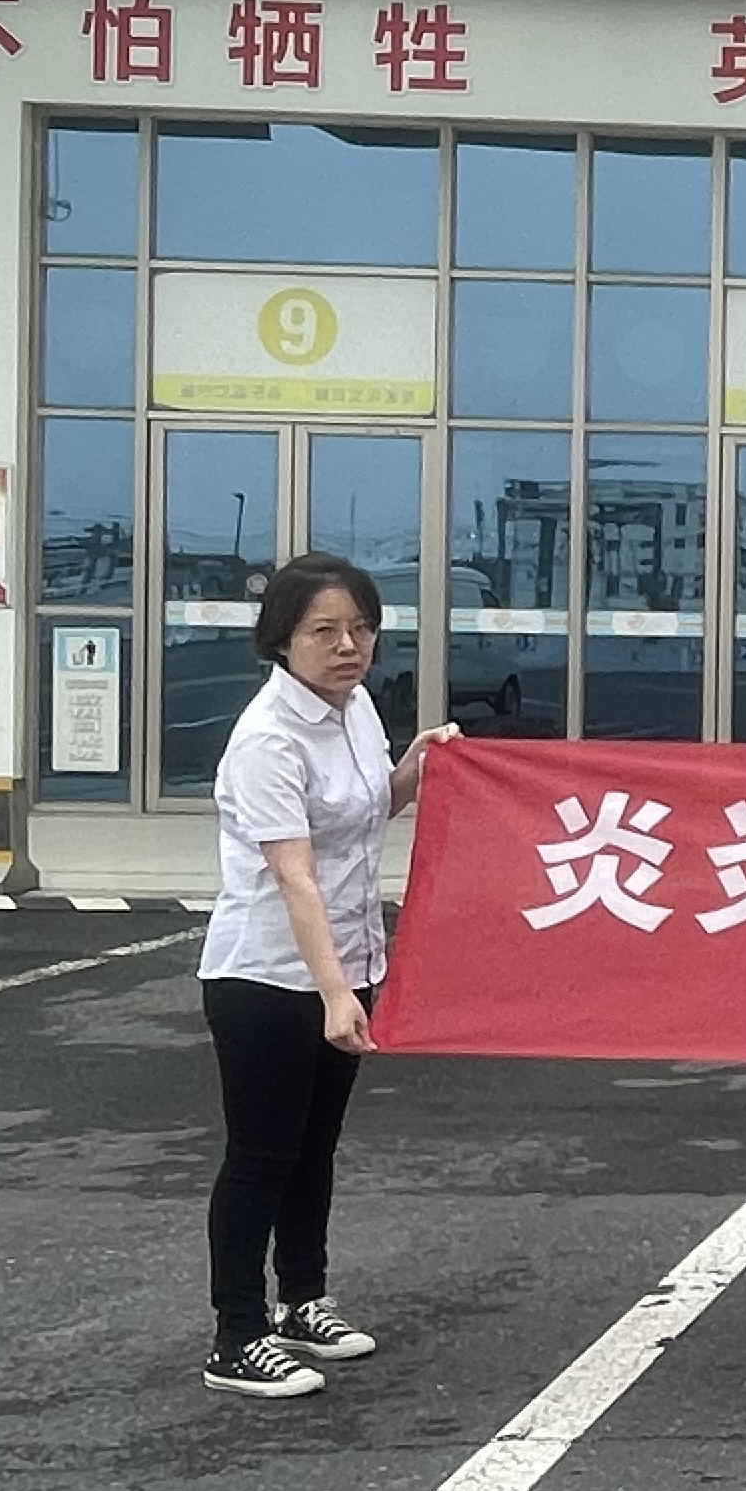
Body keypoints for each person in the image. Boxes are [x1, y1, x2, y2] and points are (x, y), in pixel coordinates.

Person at [197, 552, 456, 1400]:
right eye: (325, 631)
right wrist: (336, 993)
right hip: (268, 977)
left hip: (345, 963)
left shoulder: (355, 708)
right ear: (281, 639)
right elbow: (294, 873)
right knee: (260, 1156)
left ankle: (302, 1299)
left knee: (314, 1151)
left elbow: (369, 809)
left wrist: (420, 762)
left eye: (361, 629)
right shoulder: (267, 739)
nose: (348, 646)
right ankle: (237, 1335)